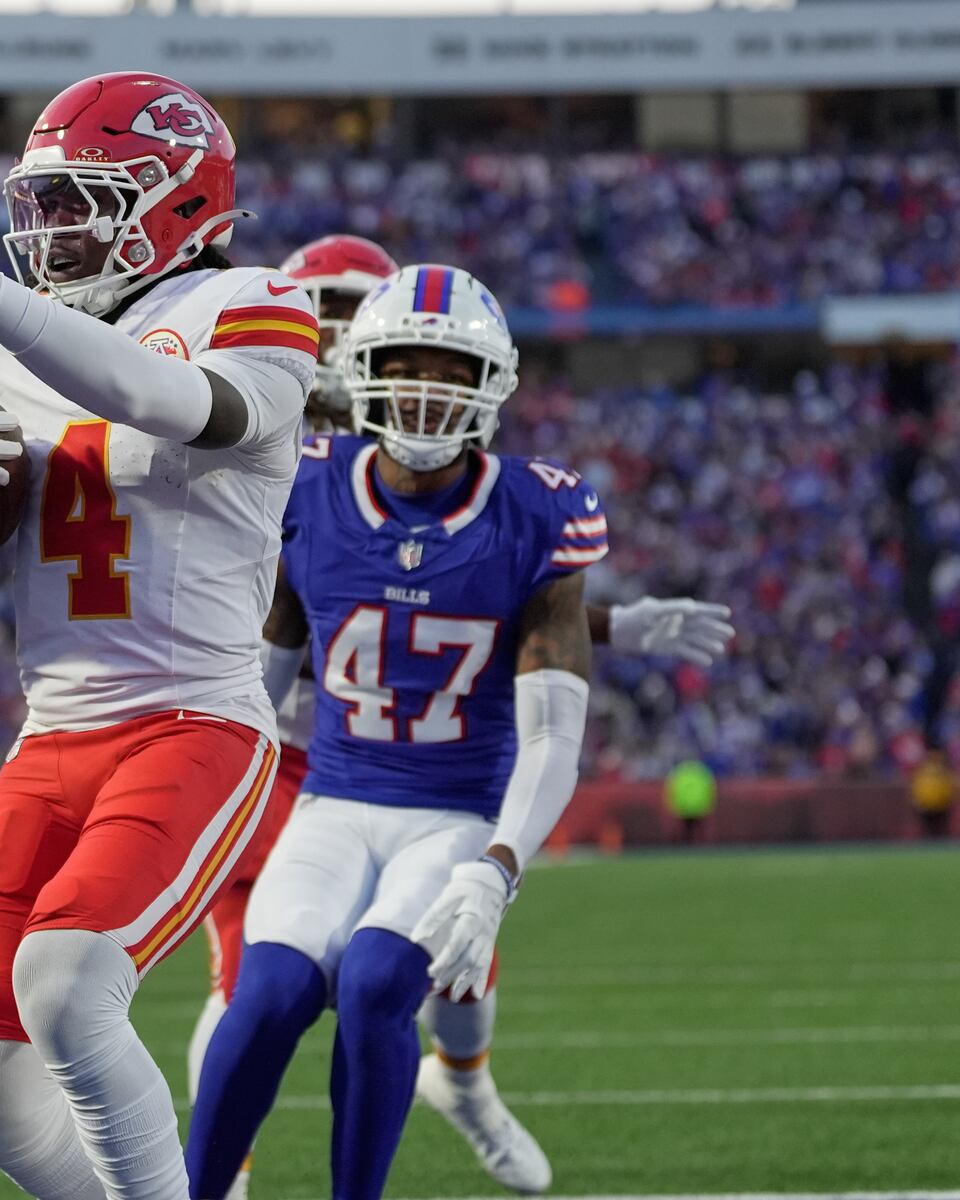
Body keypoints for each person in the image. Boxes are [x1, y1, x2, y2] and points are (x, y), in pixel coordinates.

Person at [0, 72, 316, 1200]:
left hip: (193, 721)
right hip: (49, 740)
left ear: (178, 201)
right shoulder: (3, 346)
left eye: (80, 200)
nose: (51, 227)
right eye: (40, 201)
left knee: (65, 985)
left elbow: (166, 402)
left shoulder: (257, 302)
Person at [186, 241, 735, 1199]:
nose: (424, 394)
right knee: (264, 991)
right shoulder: (305, 481)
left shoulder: (535, 510)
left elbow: (552, 726)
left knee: (376, 985)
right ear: (359, 367)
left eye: (450, 373)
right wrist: (191, 796)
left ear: (494, 384)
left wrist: (500, 866)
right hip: (328, 797)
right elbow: (260, 677)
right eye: (404, 368)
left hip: (451, 811)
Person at [665, 758, 718, 844]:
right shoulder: (702, 774)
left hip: (685, 806)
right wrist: (709, 804)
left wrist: (674, 805)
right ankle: (701, 845)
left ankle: (687, 844)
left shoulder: (679, 774)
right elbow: (709, 790)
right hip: (699, 806)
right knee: (699, 828)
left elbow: (673, 791)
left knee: (687, 829)